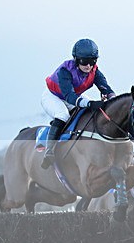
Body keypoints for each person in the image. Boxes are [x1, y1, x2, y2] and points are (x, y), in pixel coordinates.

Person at [40, 38, 115, 169]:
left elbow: (106, 88)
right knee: (63, 116)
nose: (89, 66)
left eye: (92, 61)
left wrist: (111, 99)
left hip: (73, 96)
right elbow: (70, 96)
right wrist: (90, 103)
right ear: (76, 59)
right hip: (53, 96)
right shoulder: (65, 71)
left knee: (89, 111)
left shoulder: (94, 71)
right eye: (84, 61)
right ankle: (49, 151)